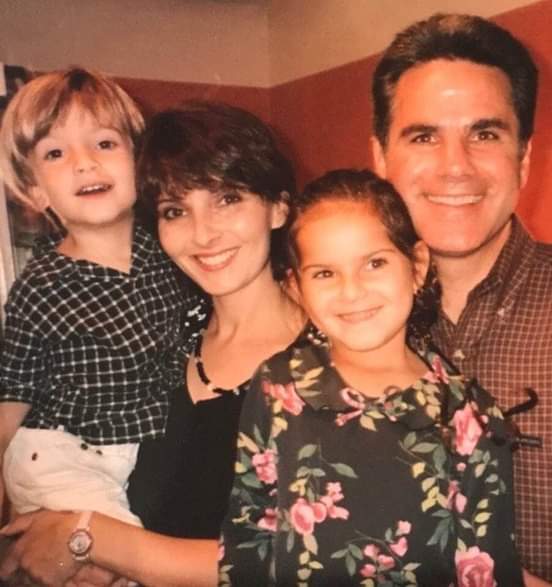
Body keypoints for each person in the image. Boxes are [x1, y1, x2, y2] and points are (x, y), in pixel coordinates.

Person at [0, 103, 304, 587]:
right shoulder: (168, 334)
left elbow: (315, 558)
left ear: (278, 207)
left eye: (227, 199)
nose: (203, 233)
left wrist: (89, 537)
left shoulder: (326, 362)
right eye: (175, 211)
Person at [219, 168, 522, 586]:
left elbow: (487, 571)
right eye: (325, 273)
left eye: (374, 263)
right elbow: (247, 534)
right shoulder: (279, 385)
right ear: (296, 287)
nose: (352, 290)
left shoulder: (469, 418)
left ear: (417, 266)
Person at [371, 13, 552, 583]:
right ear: (380, 158)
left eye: (485, 134)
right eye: (424, 136)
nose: (455, 167)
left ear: (524, 159)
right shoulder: (331, 323)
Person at [0, 68, 202, 539]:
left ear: (140, 162)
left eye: (105, 143)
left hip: (133, 455)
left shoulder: (167, 250)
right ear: (35, 190)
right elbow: (10, 399)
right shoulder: (42, 286)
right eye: (55, 153)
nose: (84, 163)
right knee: (120, 555)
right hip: (61, 456)